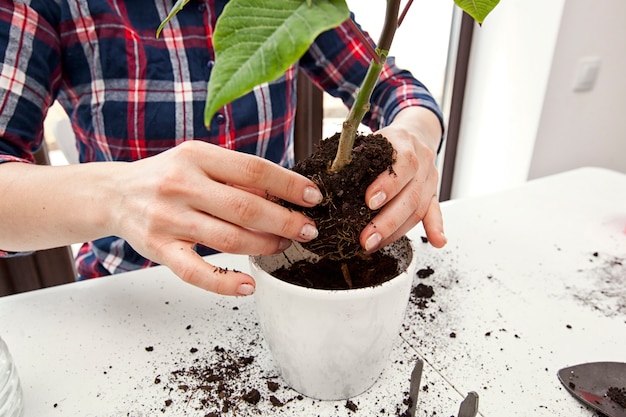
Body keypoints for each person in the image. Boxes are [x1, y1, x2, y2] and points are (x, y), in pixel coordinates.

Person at [0, 1, 446, 297]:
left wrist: (416, 136)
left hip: (279, 269)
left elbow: (390, 86)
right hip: (137, 293)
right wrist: (116, 195)